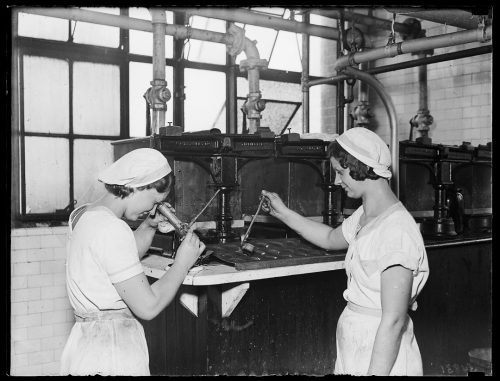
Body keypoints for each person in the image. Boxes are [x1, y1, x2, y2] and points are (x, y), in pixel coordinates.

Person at [261, 127, 429, 376]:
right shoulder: (367, 215)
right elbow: (330, 238)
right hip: (357, 342)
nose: (338, 181)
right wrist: (283, 212)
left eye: (341, 172)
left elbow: (393, 321)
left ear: (361, 167)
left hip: (382, 353)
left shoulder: (396, 231)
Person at [60, 148, 205, 376]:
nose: (153, 208)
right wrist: (182, 264)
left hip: (87, 346)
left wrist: (148, 225)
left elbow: (116, 262)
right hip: (113, 353)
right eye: (155, 200)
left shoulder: (84, 216)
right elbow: (148, 306)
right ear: (139, 186)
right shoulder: (112, 228)